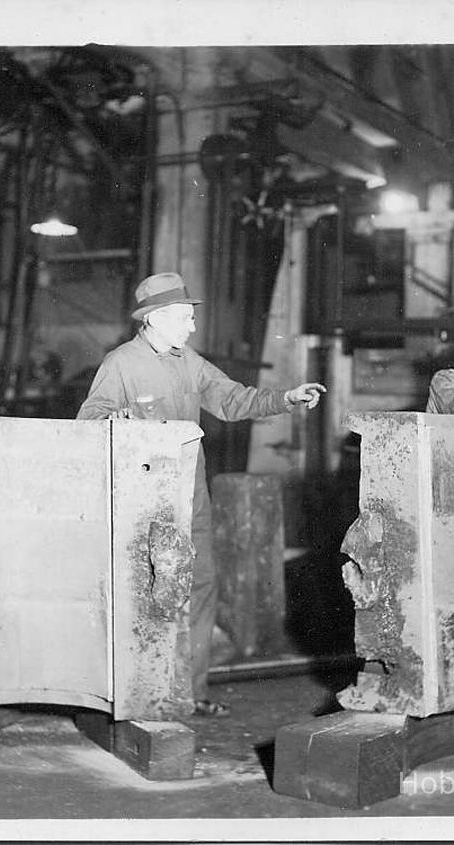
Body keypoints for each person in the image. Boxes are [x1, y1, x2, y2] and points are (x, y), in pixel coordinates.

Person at [77, 272, 326, 717]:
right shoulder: (121, 365)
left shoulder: (188, 362)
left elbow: (232, 399)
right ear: (156, 318)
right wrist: (117, 420)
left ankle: (189, 694)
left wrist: (286, 398)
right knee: (143, 592)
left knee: (200, 586)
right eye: (184, 317)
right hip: (143, 503)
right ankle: (137, 697)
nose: (192, 326)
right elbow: (89, 421)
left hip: (191, 496)